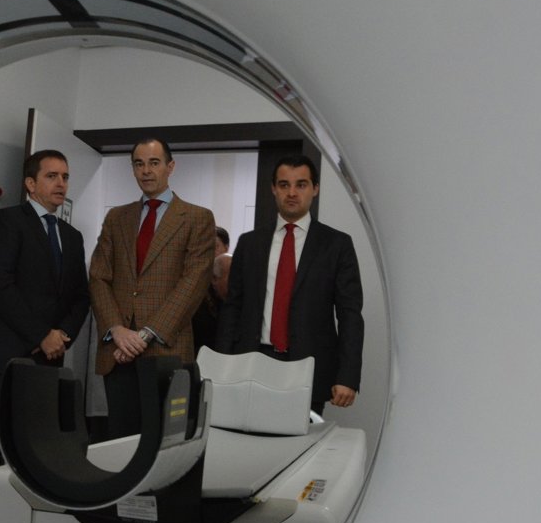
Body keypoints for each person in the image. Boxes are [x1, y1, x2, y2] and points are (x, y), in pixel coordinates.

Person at [0, 149, 90, 523]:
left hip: (46, 363)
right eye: (51, 176)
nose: (61, 183)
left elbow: (80, 298)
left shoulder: (72, 237)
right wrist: (41, 335)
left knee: (33, 455)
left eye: (65, 176)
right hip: (2, 356)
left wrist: (62, 335)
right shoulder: (8, 221)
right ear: (31, 184)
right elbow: (0, 287)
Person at [216, 155, 364, 413]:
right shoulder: (250, 243)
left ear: (315, 189)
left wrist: (347, 376)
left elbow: (350, 314)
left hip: (309, 368)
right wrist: (221, 365)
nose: (292, 193)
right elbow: (233, 309)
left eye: (301, 184)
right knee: (246, 437)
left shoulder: (336, 245)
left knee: (300, 439)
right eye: (284, 185)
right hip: (251, 363)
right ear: (274, 189)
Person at [90, 137, 215, 438]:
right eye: (139, 164)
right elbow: (98, 277)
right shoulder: (116, 217)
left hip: (166, 350)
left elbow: (193, 284)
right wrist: (117, 330)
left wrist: (144, 335)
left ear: (170, 167)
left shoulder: (197, 218)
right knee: (120, 442)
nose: (146, 170)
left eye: (154, 163)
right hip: (117, 352)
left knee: (164, 443)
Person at [191, 225, 232, 355]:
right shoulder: (193, 280)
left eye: (215, 247)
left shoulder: (234, 276)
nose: (210, 252)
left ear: (226, 247)